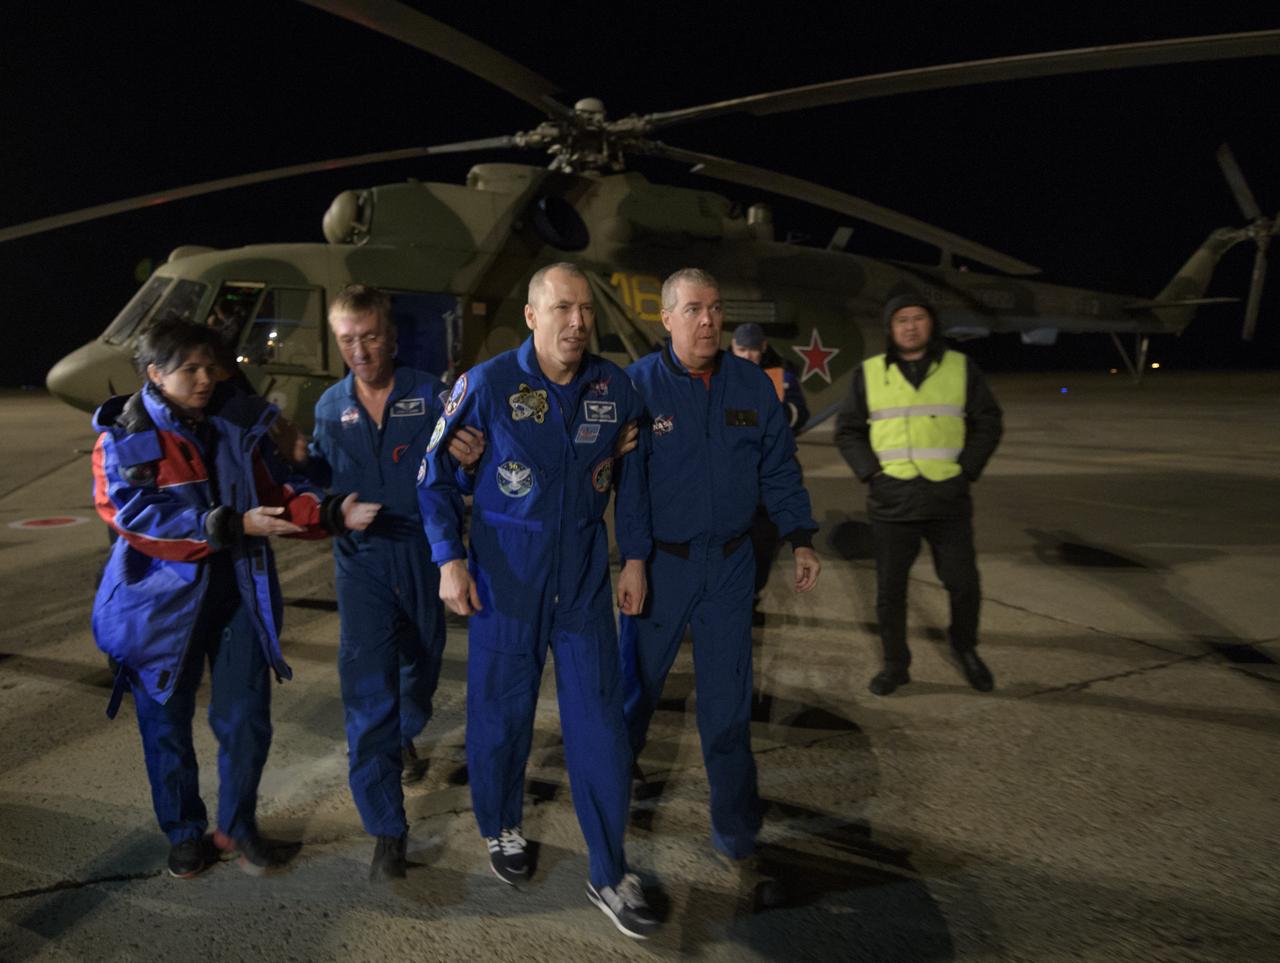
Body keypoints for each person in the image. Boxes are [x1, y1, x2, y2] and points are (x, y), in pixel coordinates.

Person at [417, 262, 659, 939]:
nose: (577, 322)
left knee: (601, 726)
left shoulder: (615, 388)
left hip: (582, 580)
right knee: (500, 716)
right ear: (531, 315)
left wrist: (635, 556)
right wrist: (448, 559)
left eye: (585, 310)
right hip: (506, 578)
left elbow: (633, 481)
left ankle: (609, 871)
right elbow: (432, 474)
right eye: (561, 308)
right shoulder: (487, 384)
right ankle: (501, 826)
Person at [90, 318, 379, 880]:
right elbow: (135, 516)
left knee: (246, 718)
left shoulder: (238, 424)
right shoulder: (124, 436)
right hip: (159, 607)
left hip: (239, 593)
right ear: (154, 374)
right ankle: (183, 832)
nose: (205, 379)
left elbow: (275, 493)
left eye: (211, 367)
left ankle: (237, 826)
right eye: (189, 369)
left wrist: (328, 512)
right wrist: (230, 524)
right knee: (165, 724)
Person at [621, 268, 821, 904]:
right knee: (634, 692)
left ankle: (737, 839)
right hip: (662, 564)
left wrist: (800, 535)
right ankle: (613, 805)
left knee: (728, 708)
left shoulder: (752, 385)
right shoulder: (638, 386)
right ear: (667, 319)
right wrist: (633, 560)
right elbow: (627, 484)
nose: (708, 320)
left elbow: (778, 467)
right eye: (694, 310)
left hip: (731, 565)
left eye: (715, 309)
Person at [305, 284, 486, 881]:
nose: (360, 351)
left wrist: (472, 461)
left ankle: (406, 729)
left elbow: (464, 476)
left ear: (393, 337)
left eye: (370, 337)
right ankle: (386, 827)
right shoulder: (329, 407)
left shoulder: (431, 394)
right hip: (361, 563)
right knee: (367, 691)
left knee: (423, 665)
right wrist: (321, 498)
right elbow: (317, 485)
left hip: (424, 554)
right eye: (347, 340)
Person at [833, 293, 1002, 696]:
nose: (910, 326)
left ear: (932, 324)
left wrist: (966, 470)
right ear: (890, 328)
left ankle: (965, 648)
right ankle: (896, 664)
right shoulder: (870, 373)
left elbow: (988, 421)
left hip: (948, 498)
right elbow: (848, 430)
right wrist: (871, 473)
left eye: (918, 318)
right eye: (901, 320)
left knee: (963, 584)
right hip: (892, 500)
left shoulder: (960, 367)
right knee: (890, 591)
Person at [730, 322, 809, 622]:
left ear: (763, 347)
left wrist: (771, 416)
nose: (748, 356)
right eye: (742, 349)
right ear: (733, 348)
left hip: (768, 475)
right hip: (734, 475)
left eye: (753, 349)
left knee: (763, 545)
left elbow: (800, 414)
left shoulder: (781, 376)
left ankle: (751, 599)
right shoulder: (721, 372)